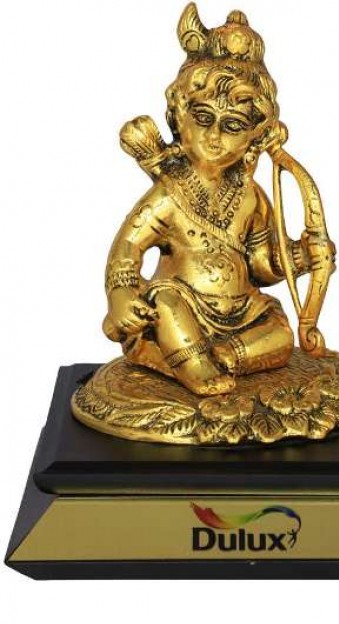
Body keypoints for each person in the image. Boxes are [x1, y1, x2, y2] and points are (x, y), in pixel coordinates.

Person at [103, 7, 311, 396]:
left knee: (280, 332)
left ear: (254, 136)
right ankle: (192, 364)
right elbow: (128, 247)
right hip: (182, 302)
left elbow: (260, 266)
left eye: (232, 126)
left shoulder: (251, 195)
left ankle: (223, 355)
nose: (215, 136)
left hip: (241, 311)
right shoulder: (168, 193)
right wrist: (121, 295)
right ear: (179, 117)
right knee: (166, 302)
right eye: (203, 118)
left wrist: (299, 257)